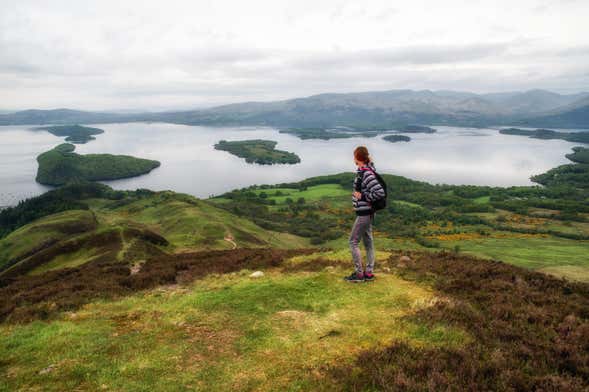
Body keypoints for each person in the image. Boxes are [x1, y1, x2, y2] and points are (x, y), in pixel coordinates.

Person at [344, 146, 385, 283]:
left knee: (353, 242)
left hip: (364, 214)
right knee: (368, 243)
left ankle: (359, 274)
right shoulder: (364, 170)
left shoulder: (367, 173)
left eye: (354, 155)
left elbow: (380, 193)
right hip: (366, 213)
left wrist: (362, 197)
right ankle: (368, 273)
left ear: (357, 157)